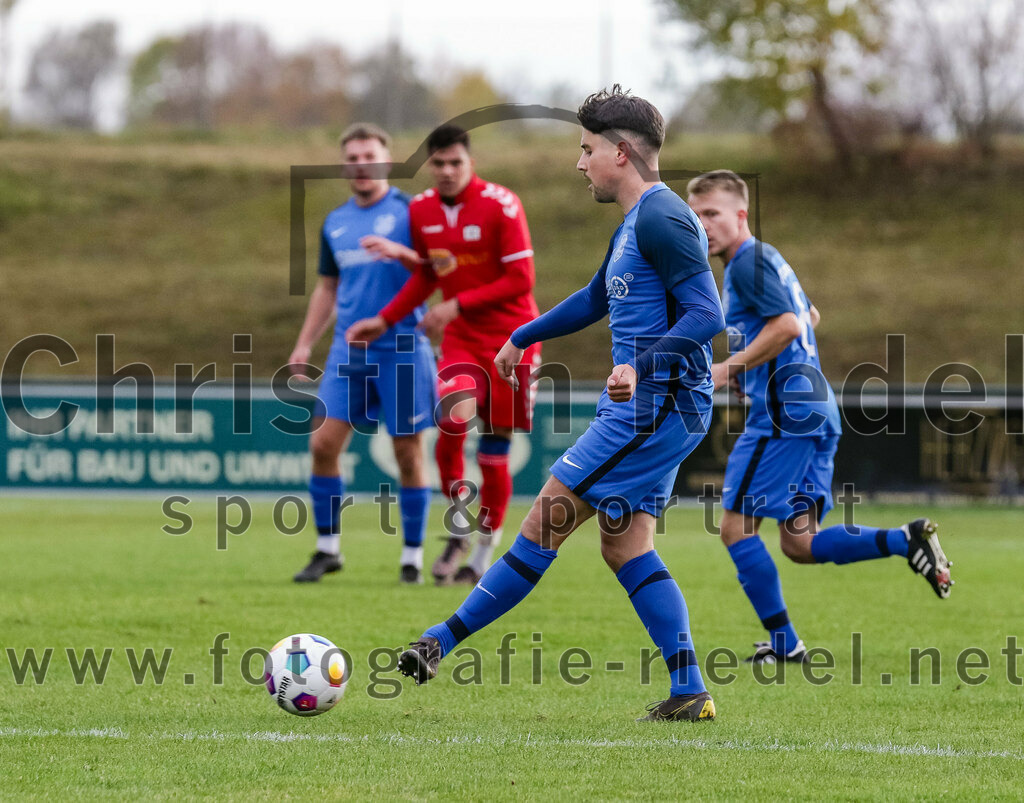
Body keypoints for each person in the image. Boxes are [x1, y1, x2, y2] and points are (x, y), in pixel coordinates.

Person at [393, 87, 726, 722]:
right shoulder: (636, 221)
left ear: (621, 153)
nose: (580, 163)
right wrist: (523, 334)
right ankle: (690, 691)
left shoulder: (663, 216)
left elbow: (709, 314)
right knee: (625, 546)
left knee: (543, 520)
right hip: (654, 407)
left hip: (654, 408)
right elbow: (598, 296)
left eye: (587, 149)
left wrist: (639, 362)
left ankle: (439, 640)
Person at [686, 170, 954, 664]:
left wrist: (729, 369)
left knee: (734, 528)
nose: (703, 225)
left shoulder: (747, 264)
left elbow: (789, 324)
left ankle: (787, 646)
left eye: (713, 214)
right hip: (816, 408)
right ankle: (905, 539)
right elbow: (810, 315)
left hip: (785, 414)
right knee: (799, 542)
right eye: (696, 215)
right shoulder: (768, 260)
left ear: (741, 215)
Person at [347, 124, 541, 586]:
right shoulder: (422, 209)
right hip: (462, 340)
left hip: (515, 341)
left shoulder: (502, 204)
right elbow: (429, 276)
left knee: (495, 452)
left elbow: (522, 281)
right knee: (451, 419)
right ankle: (458, 527)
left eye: (456, 162)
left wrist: (455, 304)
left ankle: (485, 549)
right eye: (439, 163)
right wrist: (386, 319)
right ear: (429, 165)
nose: (448, 171)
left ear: (470, 161)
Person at [289, 123, 435, 585]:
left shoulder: (414, 213)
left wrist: (402, 253)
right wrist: (305, 342)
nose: (360, 165)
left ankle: (412, 556)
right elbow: (328, 288)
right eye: (351, 158)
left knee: (407, 453)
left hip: (403, 347)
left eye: (368, 155)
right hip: (348, 351)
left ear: (387, 161)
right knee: (323, 444)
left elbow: (438, 270)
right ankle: (328, 549)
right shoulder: (336, 221)